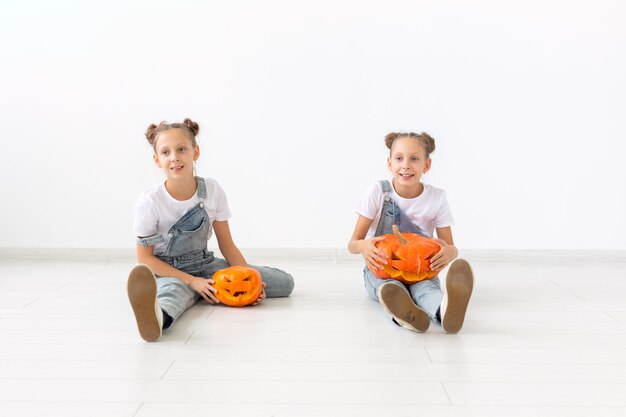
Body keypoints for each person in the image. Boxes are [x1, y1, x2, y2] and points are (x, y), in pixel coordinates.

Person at [127, 118, 294, 342]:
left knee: (284, 283)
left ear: (195, 152)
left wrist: (249, 280)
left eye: (182, 149)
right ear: (157, 160)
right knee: (174, 295)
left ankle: (203, 291)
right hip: (169, 270)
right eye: (166, 152)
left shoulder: (212, 190)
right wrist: (191, 281)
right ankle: (157, 318)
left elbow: (227, 245)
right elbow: (145, 259)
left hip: (206, 264)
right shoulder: (150, 202)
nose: (174, 157)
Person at [348, 132, 473, 333]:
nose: (406, 165)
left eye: (414, 159)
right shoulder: (379, 192)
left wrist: (450, 253)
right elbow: (353, 243)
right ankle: (406, 315)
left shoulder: (436, 197)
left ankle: (444, 312)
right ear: (390, 163)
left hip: (421, 270)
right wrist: (364, 247)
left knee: (425, 289)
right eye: (399, 158)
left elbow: (450, 246)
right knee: (389, 288)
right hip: (381, 270)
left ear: (427, 165)